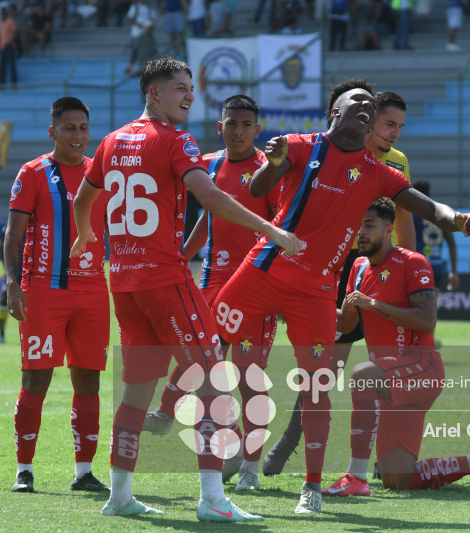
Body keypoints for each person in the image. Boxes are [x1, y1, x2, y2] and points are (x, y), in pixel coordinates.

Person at [212, 77, 470, 514]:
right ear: (334, 112)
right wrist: (275, 162)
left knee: (317, 386)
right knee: (204, 346)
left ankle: (312, 488)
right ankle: (216, 465)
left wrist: (458, 217)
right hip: (262, 270)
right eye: (356, 100)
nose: (366, 106)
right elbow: (259, 189)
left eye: (370, 105)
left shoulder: (378, 172)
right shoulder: (300, 144)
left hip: (316, 290)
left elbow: (427, 207)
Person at [70, 57, 301, 520]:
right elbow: (211, 197)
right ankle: (213, 500)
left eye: (191, 87)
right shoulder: (177, 139)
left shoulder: (112, 140)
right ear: (154, 93)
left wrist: (84, 235)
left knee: (136, 395)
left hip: (126, 284)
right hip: (166, 281)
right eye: (180, 87)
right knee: (217, 385)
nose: (190, 95)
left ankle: (119, 497)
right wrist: (273, 232)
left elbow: (82, 199)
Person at [262, 90, 455, 477]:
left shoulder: (396, 162)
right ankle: (289, 440)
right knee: (324, 367)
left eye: (400, 126)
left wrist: (408, 265)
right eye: (389, 124)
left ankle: (380, 460)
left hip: (383, 268)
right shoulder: (337, 149)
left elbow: (404, 219)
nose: (395, 133)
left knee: (386, 366)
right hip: (337, 266)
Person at [321, 198, 470, 494]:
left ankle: (355, 477)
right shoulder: (359, 268)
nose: (360, 232)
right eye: (357, 226)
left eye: (369, 225)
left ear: (388, 229)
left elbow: (427, 321)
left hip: (420, 367)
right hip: (389, 378)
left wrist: (374, 304)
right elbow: (348, 326)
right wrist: (308, 307)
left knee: (362, 374)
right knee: (398, 480)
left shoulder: (412, 262)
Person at [141, 94, 282, 493]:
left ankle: (250, 466)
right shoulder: (209, 163)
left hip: (256, 284)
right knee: (199, 358)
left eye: (245, 125)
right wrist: (181, 255)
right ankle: (196, 429)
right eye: (230, 123)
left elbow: (278, 225)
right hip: (213, 280)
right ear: (219, 127)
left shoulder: (269, 171)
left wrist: (281, 287)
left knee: (249, 377)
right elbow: (208, 213)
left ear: (257, 130)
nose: (237, 131)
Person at [4, 97, 110, 495]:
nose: (77, 135)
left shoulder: (99, 174)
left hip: (93, 292)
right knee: (36, 380)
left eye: (83, 128)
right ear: (53, 132)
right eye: (69, 128)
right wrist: (13, 283)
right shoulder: (32, 173)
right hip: (44, 290)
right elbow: (13, 235)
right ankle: (25, 470)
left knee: (89, 381)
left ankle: (84, 472)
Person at [0, 6, 18, 86]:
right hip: (2, 46)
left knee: (12, 65)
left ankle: (14, 83)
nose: (3, 13)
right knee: (2, 66)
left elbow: (14, 33)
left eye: (4, 11)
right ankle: (1, 83)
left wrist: (9, 42)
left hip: (9, 46)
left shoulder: (10, 21)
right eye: (1, 12)